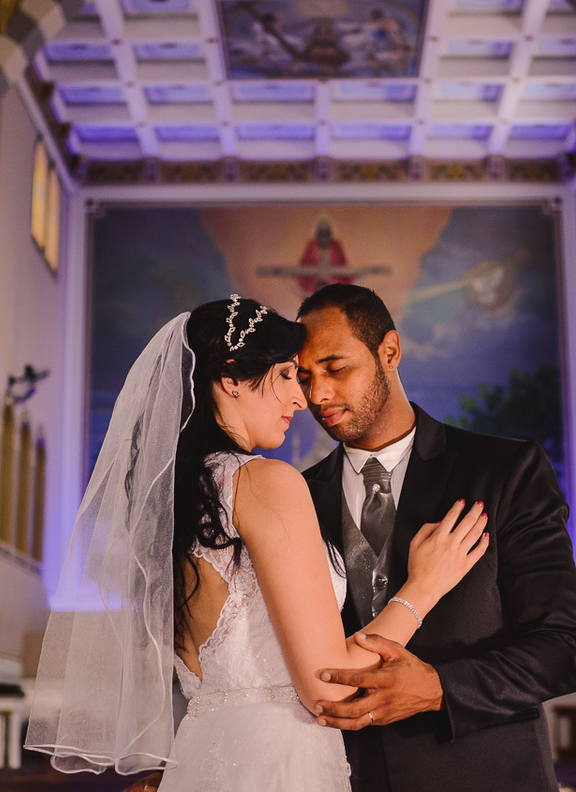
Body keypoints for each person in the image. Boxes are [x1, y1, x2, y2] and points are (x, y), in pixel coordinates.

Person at [26, 297, 489, 790]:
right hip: (277, 765)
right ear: (231, 378)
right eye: (288, 376)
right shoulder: (265, 482)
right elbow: (326, 685)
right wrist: (424, 587)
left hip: (201, 754)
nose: (302, 400)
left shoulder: (185, 497)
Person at [296, 284, 576, 791]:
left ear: (389, 351)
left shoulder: (504, 472)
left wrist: (438, 689)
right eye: (304, 377)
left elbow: (564, 650)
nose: (317, 395)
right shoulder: (296, 500)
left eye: (336, 368)